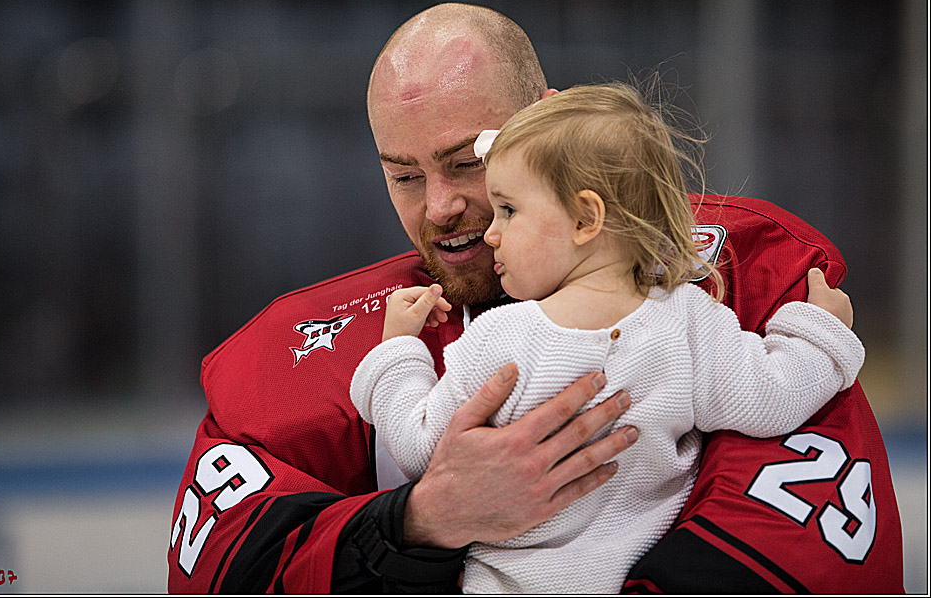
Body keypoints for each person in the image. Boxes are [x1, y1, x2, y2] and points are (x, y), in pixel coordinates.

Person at [167, 3, 904, 594]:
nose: (442, 207)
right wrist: (419, 519)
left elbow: (817, 546)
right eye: (405, 175)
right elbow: (224, 564)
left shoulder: (729, 278)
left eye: (468, 162)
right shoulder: (314, 347)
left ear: (546, 126)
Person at [350, 82, 865, 593]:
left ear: (585, 218)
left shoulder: (498, 339)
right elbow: (773, 396)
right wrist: (818, 330)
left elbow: (421, 448)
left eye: (508, 210)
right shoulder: (689, 320)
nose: (491, 234)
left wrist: (397, 350)